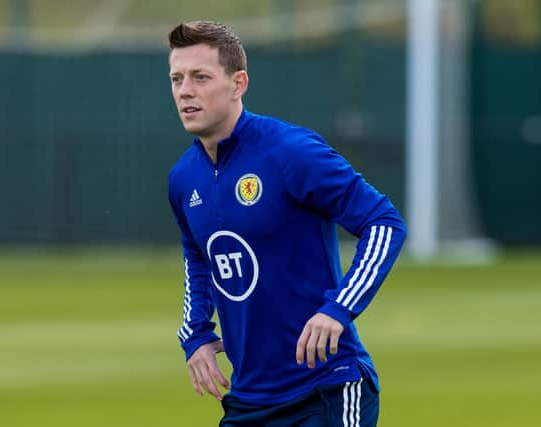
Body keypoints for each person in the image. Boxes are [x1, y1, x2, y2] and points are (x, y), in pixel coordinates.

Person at [167, 20, 406, 427]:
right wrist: (195, 334)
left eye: (200, 77)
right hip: (249, 401)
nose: (185, 90)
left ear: (238, 83)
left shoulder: (291, 152)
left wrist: (340, 308)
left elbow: (384, 222)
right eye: (177, 78)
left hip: (326, 389)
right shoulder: (183, 177)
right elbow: (198, 258)